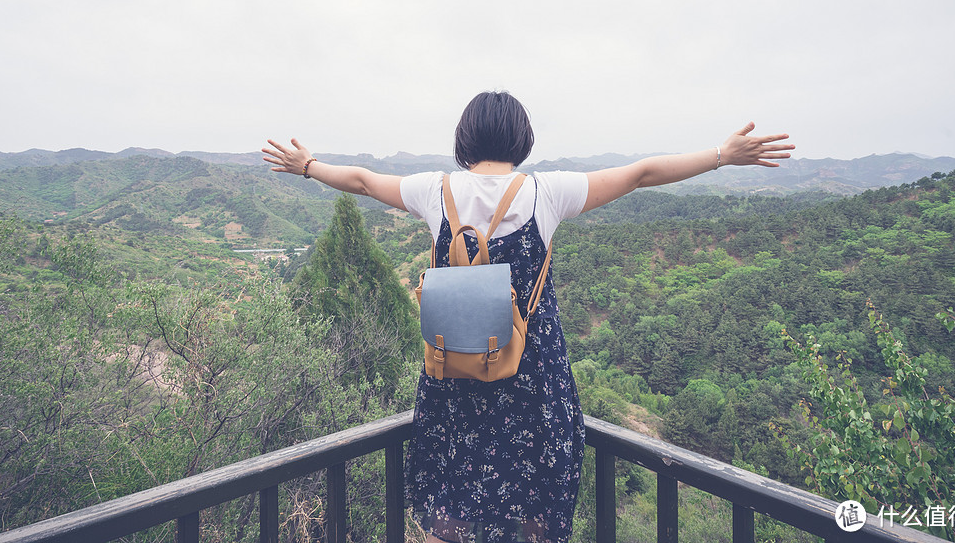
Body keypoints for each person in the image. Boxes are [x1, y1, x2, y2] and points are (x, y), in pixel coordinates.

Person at [263, 91, 794, 543]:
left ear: (463, 139)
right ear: (522, 140)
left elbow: (359, 180)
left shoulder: (434, 192)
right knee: (531, 519)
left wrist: (306, 165)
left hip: (455, 382)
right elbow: (640, 174)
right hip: (532, 385)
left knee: (458, 519)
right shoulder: (545, 194)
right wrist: (722, 154)